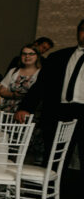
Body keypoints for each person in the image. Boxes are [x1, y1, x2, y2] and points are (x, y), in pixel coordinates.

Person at [17, 19, 84, 171]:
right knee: (54, 159)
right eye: (83, 30)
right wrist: (25, 107)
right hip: (60, 112)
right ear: (77, 32)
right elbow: (40, 86)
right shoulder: (59, 57)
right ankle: (48, 191)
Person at [0, 44, 41, 113]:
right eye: (24, 54)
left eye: (31, 54)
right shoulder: (14, 71)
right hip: (8, 112)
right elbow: (1, 91)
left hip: (27, 113)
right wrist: (13, 95)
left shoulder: (41, 73)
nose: (27, 56)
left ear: (37, 56)